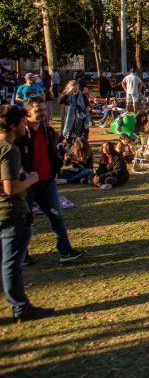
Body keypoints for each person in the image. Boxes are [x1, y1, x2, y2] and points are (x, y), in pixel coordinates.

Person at [0, 104, 54, 322]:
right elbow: (10, 188)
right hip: (11, 211)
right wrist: (31, 178)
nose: (26, 125)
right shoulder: (9, 150)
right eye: (23, 122)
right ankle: (21, 307)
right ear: (14, 125)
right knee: (12, 263)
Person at [17, 97, 85, 263]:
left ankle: (65, 251)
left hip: (47, 181)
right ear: (27, 113)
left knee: (57, 216)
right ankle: (22, 255)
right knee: (25, 220)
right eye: (38, 111)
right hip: (27, 184)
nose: (43, 113)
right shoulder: (20, 133)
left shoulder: (47, 130)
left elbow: (53, 151)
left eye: (44, 109)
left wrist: (55, 168)